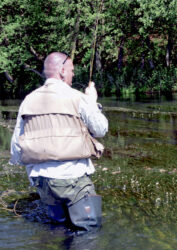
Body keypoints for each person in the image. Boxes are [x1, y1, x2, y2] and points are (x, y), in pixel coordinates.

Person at [9, 52, 108, 232]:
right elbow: (101, 129)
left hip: (42, 182)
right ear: (62, 71)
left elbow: (16, 147)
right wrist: (93, 102)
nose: (73, 74)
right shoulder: (78, 97)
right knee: (88, 232)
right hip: (73, 178)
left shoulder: (28, 100)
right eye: (71, 70)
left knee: (59, 229)